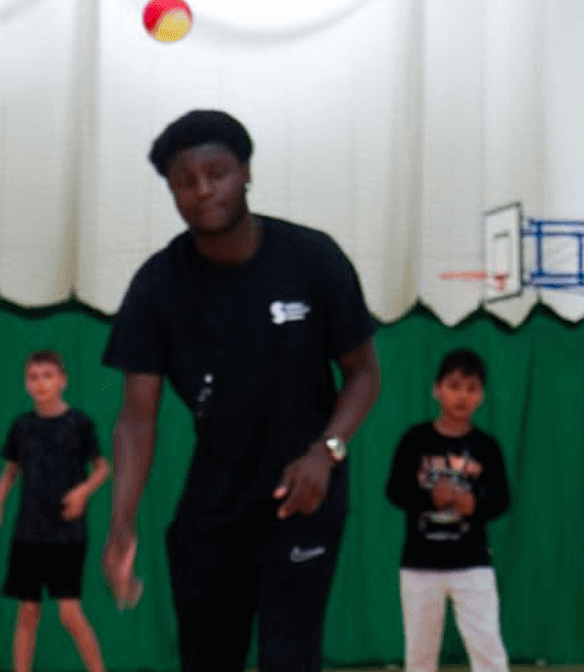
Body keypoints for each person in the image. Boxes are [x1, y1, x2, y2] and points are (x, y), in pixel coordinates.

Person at [101, 108, 383, 672]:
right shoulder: (158, 285)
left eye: (217, 173)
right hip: (213, 503)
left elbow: (364, 373)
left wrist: (327, 451)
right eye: (185, 182)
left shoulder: (312, 258)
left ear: (246, 172)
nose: (203, 190)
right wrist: (122, 520)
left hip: (300, 495)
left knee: (289, 658)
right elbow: (137, 417)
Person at [0, 350, 111, 672]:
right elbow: (11, 472)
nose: (40, 383)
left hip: (68, 533)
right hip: (28, 532)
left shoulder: (79, 423)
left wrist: (83, 491)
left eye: (48, 376)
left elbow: (103, 468)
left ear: (62, 380)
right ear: (26, 384)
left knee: (69, 612)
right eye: (33, 377)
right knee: (28, 611)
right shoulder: (22, 426)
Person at [386, 348, 513, 672]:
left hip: (473, 563)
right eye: (454, 386)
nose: (462, 396)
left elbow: (501, 499)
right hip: (420, 564)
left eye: (472, 388)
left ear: (481, 396)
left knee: (488, 649)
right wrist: (430, 498)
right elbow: (395, 490)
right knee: (420, 654)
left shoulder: (487, 446)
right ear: (437, 389)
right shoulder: (415, 439)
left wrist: (476, 506)